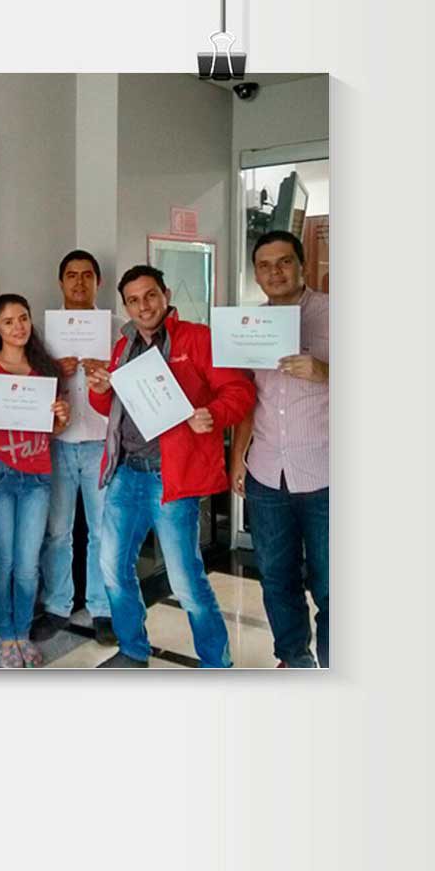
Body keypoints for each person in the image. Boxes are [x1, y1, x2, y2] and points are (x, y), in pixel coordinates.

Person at [86, 265, 255, 667]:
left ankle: (216, 663)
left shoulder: (197, 338)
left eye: (150, 295)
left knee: (185, 581)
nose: (143, 306)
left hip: (172, 477)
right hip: (125, 472)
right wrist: (100, 391)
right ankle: (132, 649)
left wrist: (213, 413)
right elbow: (114, 409)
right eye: (133, 300)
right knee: (113, 568)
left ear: (166, 294)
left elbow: (240, 391)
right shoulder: (124, 344)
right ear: (126, 306)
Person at [230, 231, 329, 667]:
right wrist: (238, 459)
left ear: (302, 265)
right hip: (267, 474)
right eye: (265, 265)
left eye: (284, 261)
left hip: (327, 473)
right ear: (256, 274)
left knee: (333, 584)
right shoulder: (249, 327)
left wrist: (325, 371)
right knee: (276, 578)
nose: (275, 272)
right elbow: (246, 399)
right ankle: (294, 661)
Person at [0, 295, 70, 668]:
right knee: (3, 561)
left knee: (28, 564)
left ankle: (22, 633)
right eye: (8, 321)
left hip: (38, 475)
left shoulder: (45, 370)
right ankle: (5, 635)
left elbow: (53, 431)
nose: (18, 327)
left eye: (23, 318)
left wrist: (61, 418)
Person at [35, 249, 120, 645]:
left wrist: (110, 372)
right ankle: (57, 605)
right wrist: (55, 370)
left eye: (87, 275)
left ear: (98, 282)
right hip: (57, 444)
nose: (79, 282)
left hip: (101, 440)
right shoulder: (42, 332)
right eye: (72, 275)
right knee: (57, 531)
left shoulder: (117, 329)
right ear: (61, 282)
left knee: (103, 531)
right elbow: (27, 388)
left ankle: (102, 609)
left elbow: (134, 383)